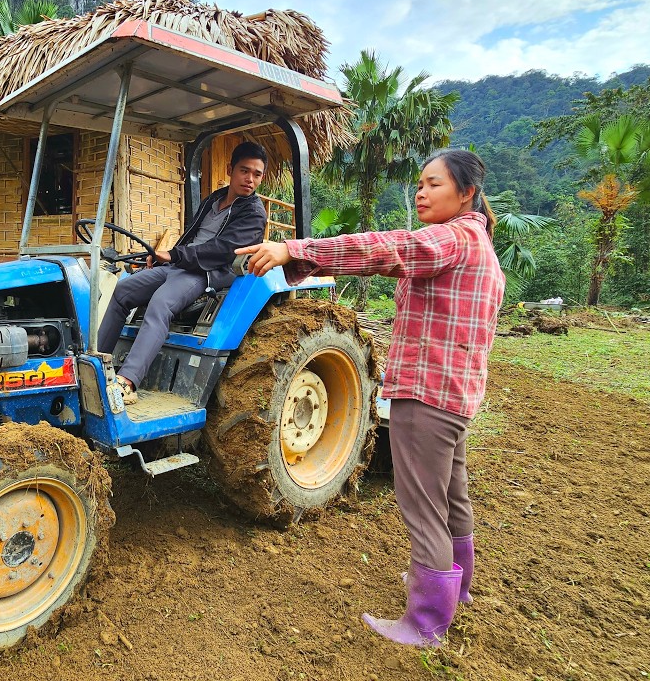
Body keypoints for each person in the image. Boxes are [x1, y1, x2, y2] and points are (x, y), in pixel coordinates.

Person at [235, 148, 504, 648]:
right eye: (420, 184)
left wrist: (296, 250)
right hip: (456, 394)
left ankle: (425, 622)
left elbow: (386, 249)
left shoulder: (450, 237)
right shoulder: (480, 245)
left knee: (421, 502)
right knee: (450, 495)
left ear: (466, 193)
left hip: (426, 393)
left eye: (434, 184)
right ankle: (456, 588)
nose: (422, 192)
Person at [97, 141, 269, 403]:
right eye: (245, 171)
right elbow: (193, 237)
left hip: (206, 272)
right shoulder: (213, 199)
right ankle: (96, 365)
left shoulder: (254, 214)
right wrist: (163, 257)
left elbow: (223, 250)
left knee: (161, 303)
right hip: (180, 265)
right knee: (123, 291)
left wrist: (175, 255)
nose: (250, 179)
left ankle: (127, 382)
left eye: (257, 174)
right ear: (230, 169)